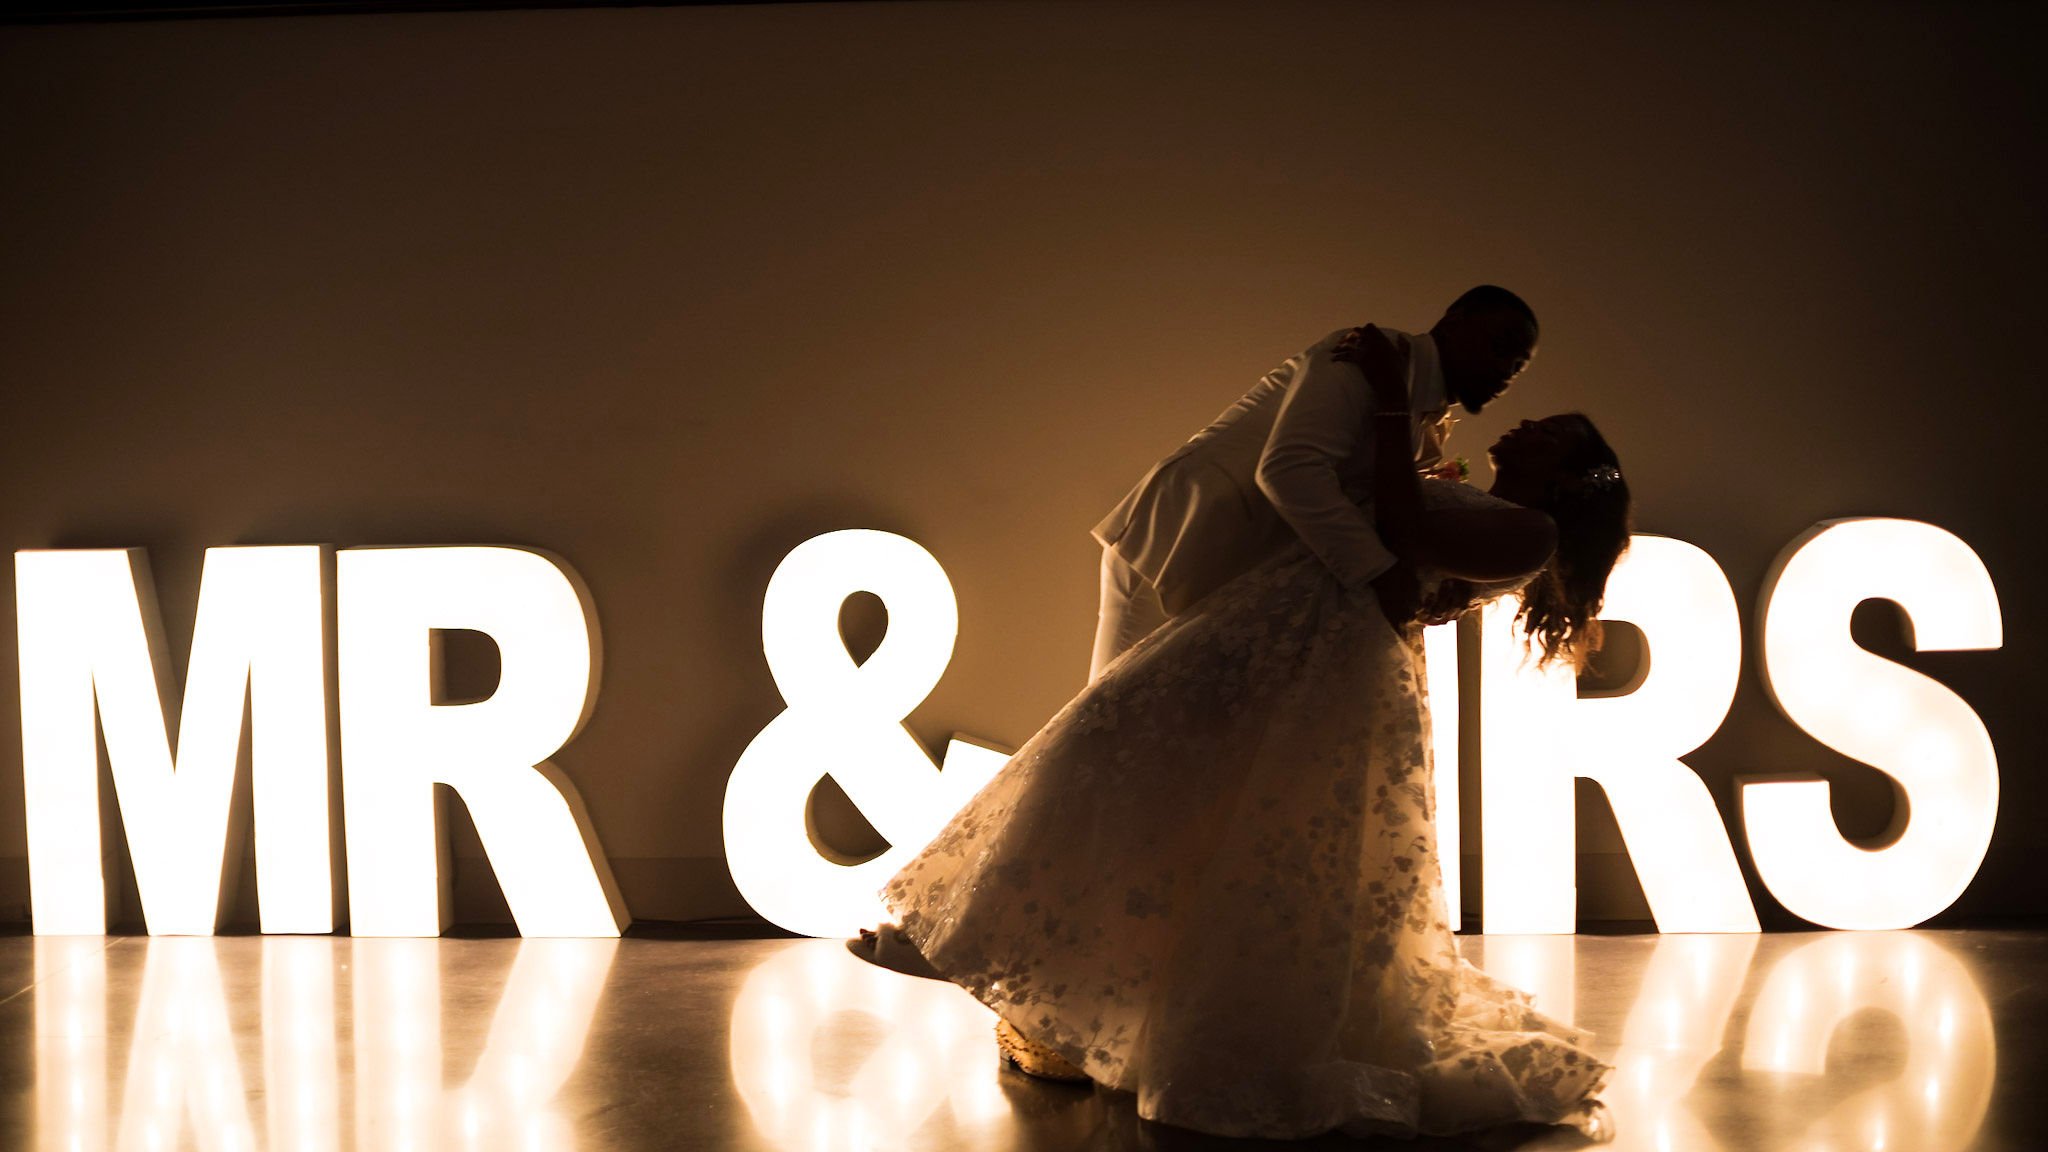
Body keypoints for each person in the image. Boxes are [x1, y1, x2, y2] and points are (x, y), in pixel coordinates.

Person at [875, 332, 1632, 1140]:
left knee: (1230, 821)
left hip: (1321, 666)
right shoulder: (1484, 504)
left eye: (1546, 433)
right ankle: (1042, 973)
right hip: (1270, 635)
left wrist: (1384, 404)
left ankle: (1138, 1006)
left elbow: (1402, 530)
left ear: (1568, 480)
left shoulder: (1529, 535)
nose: (1523, 426)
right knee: (1116, 765)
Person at [1087, 286, 1539, 680]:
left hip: (1234, 577)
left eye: (1520, 365)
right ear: (1455, 322)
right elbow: (1290, 470)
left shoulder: (1421, 412)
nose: (1508, 369)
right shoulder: (1364, 355)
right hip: (1178, 544)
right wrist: (1379, 575)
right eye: (1501, 346)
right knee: (1103, 728)